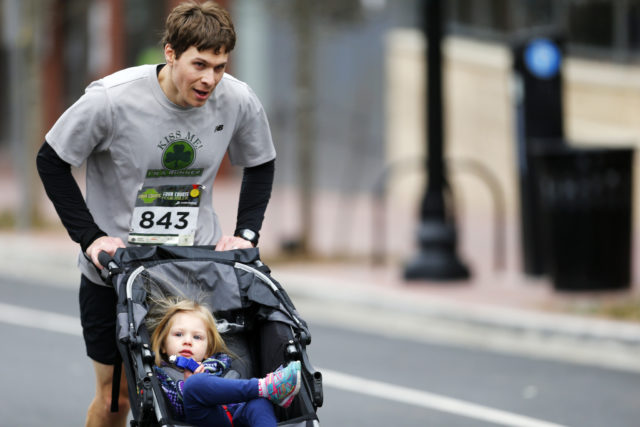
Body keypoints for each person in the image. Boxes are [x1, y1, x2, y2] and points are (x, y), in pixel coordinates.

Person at [35, 1, 276, 425]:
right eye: (199, 64)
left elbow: (260, 161)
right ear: (170, 53)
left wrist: (247, 233)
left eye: (219, 67)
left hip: (195, 269)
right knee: (118, 396)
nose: (210, 79)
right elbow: (51, 160)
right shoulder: (110, 99)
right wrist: (91, 237)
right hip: (116, 271)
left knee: (197, 390)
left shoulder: (237, 99)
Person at [148, 298, 301, 427]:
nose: (187, 341)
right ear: (162, 345)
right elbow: (173, 409)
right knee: (194, 384)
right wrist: (186, 386)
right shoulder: (161, 375)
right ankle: (266, 386)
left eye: (197, 337)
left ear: (208, 350)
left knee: (259, 403)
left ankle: (265, 390)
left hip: (236, 415)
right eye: (179, 334)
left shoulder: (219, 364)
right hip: (201, 419)